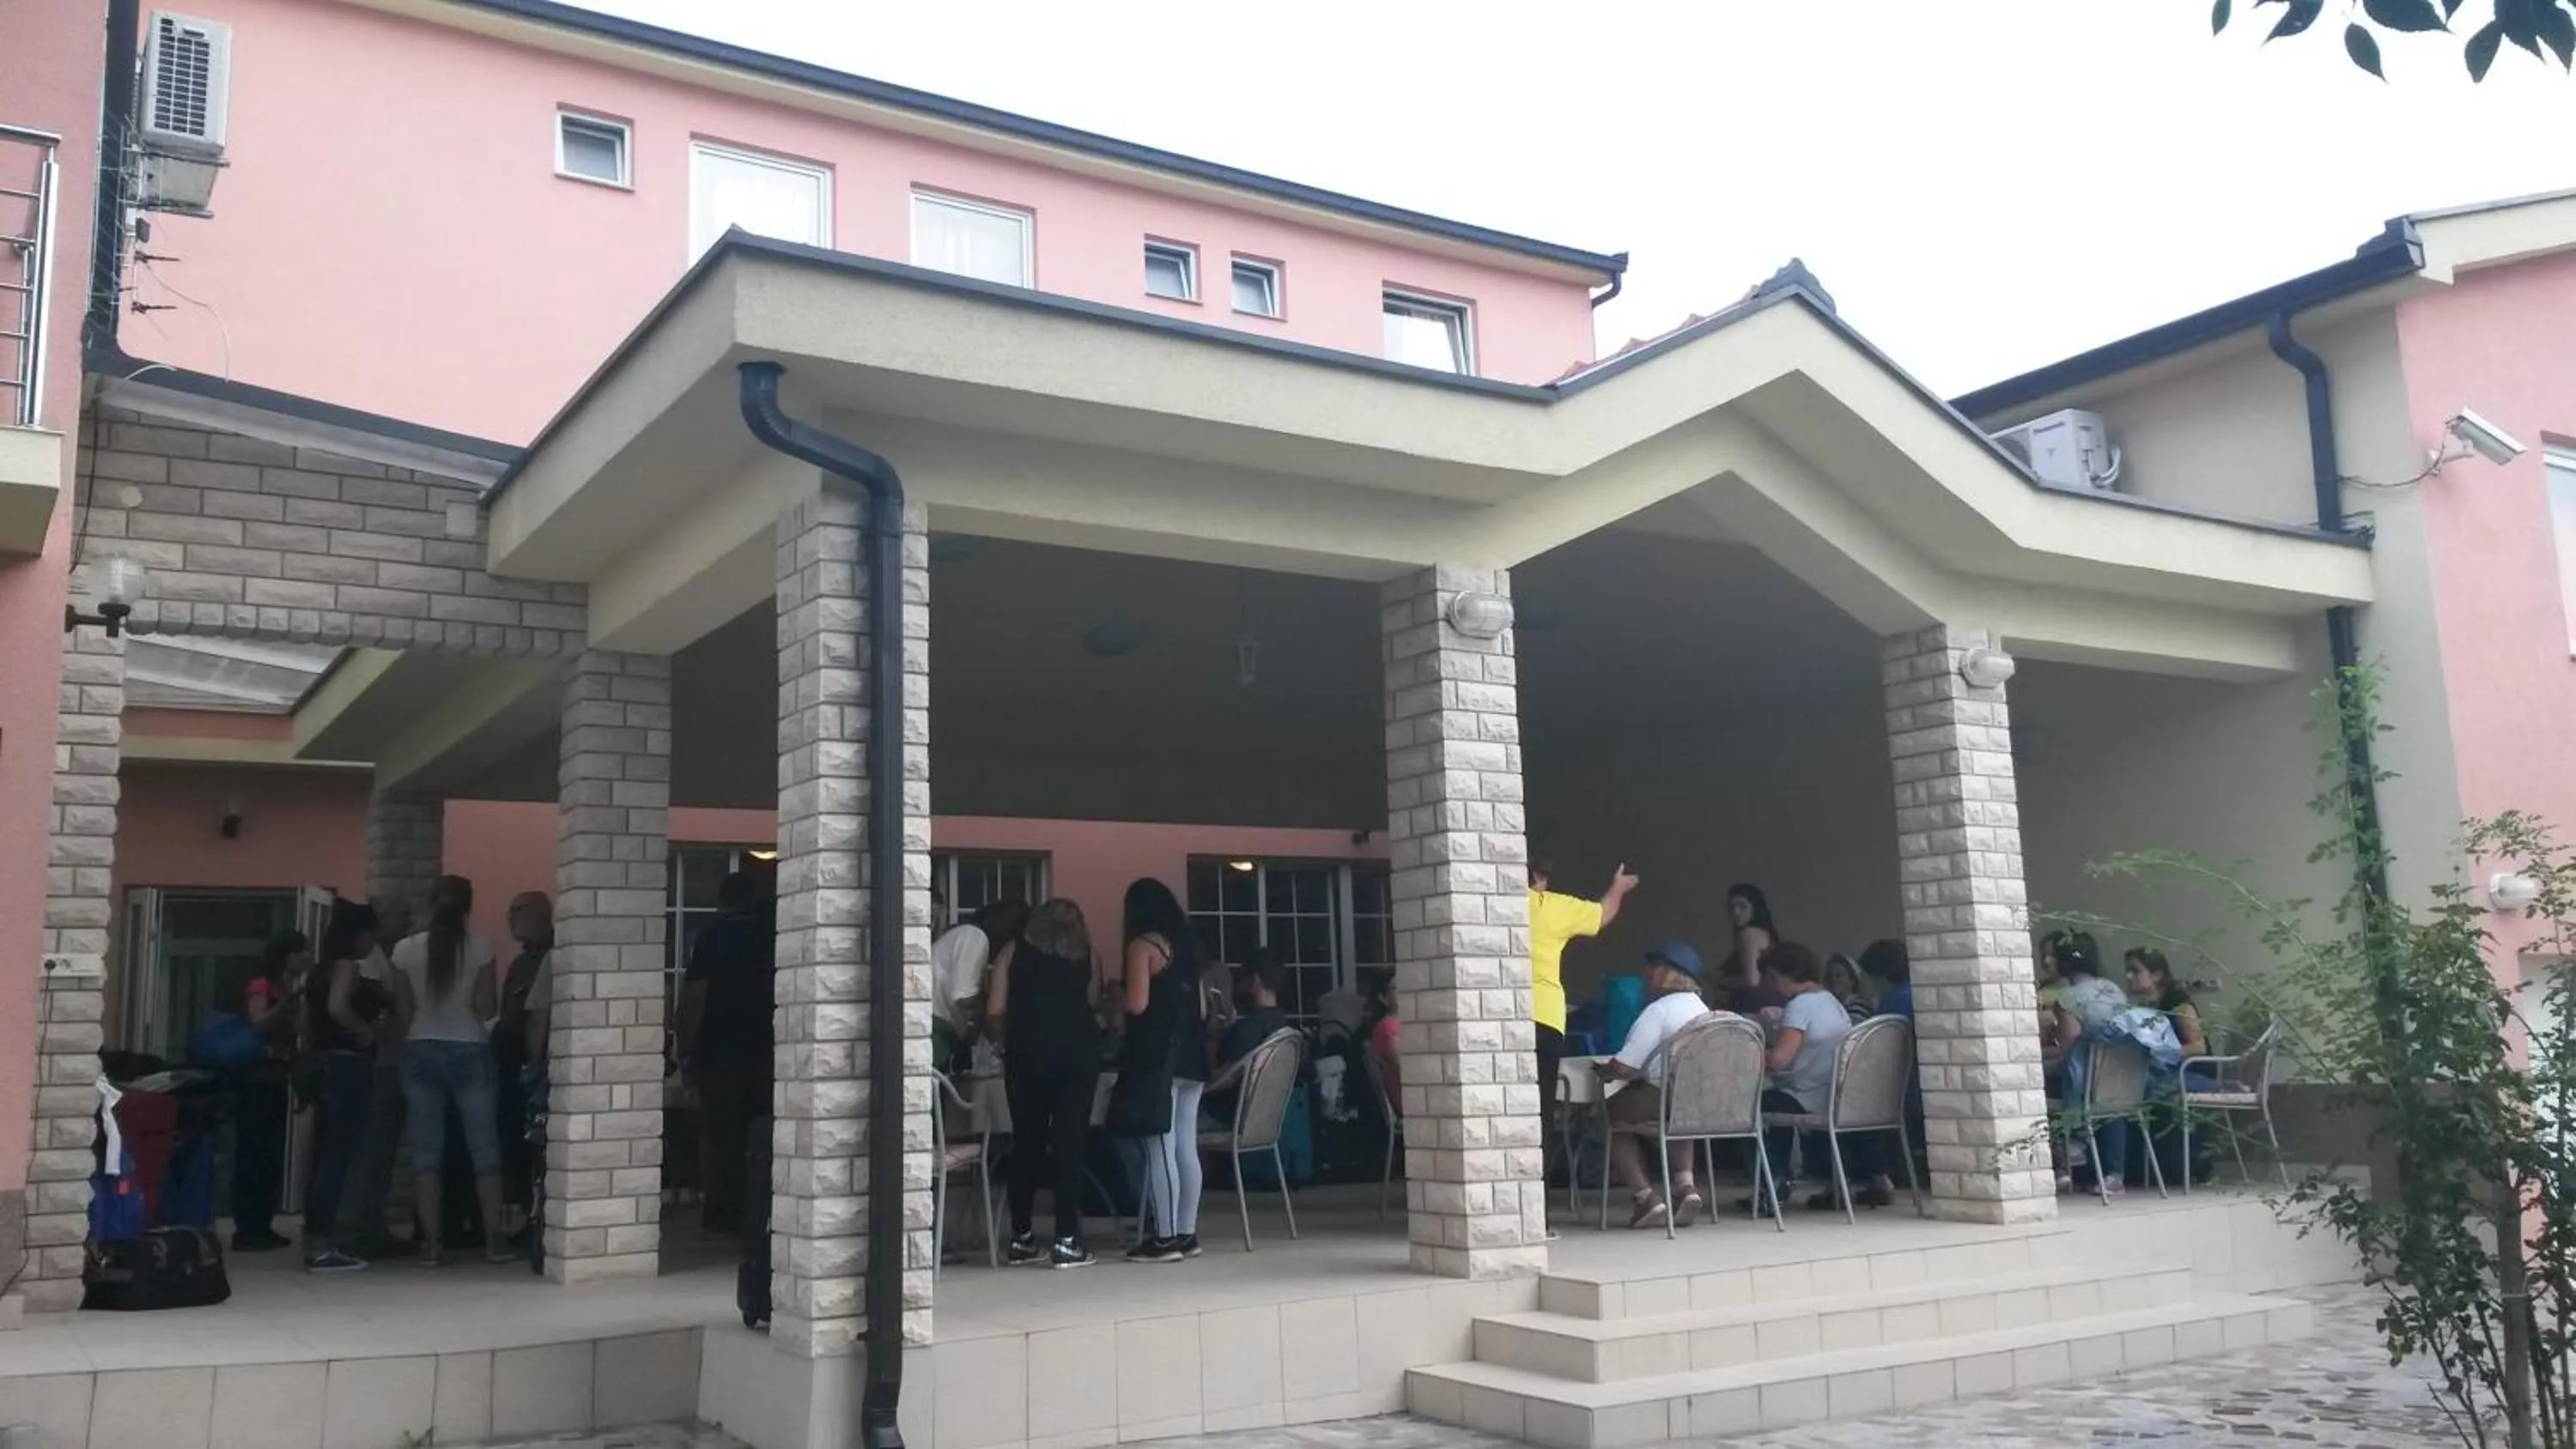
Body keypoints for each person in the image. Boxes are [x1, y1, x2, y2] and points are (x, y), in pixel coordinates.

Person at [389, 875, 510, 1265]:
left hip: (420, 1047)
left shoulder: (404, 950)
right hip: (469, 1048)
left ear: (430, 903)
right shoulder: (481, 948)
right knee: (484, 1150)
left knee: (426, 1153)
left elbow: (403, 1011)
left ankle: (432, 1246)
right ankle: (494, 1242)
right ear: (468, 907)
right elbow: (488, 1007)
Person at [985, 897, 1105, 1269]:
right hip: (1078, 1055)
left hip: (1027, 1054)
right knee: (1070, 1144)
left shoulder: (1011, 953)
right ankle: (1067, 1240)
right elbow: (1092, 1001)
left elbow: (994, 1010)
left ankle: (1021, 1238)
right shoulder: (1089, 956)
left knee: (1027, 1143)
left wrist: (1002, 1039)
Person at [1528, 857, 1637, 1216]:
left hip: (1489, 1020)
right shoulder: (1550, 906)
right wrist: (1618, 888)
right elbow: (1602, 914)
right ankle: (1536, 1213)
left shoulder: (1484, 906)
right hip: (1543, 1017)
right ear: (1540, 880)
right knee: (1539, 1112)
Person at [1109, 877, 1207, 1264]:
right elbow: (1201, 1010)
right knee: (1186, 1144)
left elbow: (1136, 1005)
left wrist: (1114, 997)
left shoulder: (1143, 947)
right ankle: (1186, 1232)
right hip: (1192, 1056)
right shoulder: (1189, 949)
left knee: (1158, 1145)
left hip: (1157, 1058)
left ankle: (1163, 1238)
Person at [1754, 942, 1889, 1212]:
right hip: (1834, 1091)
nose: (1770, 984)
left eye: (1771, 977)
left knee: (1755, 1106)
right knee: (1775, 1099)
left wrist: (1752, 1053)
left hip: (1807, 1094)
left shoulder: (1800, 1006)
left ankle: (1771, 1185)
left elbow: (1781, 1060)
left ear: (1783, 974)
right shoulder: (1830, 1001)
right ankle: (1837, 1180)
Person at [677, 871, 775, 1235]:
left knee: (719, 1133)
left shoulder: (713, 937)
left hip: (720, 1050)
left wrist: (685, 1046)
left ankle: (722, 1209)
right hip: (767, 1049)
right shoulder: (772, 936)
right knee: (762, 1129)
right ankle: (760, 1205)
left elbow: (695, 997)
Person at [1592, 943, 1712, 1229]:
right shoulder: (1705, 1010)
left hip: (1660, 1097)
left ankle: (1645, 1197)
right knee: (1681, 1113)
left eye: (1655, 967)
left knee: (1612, 1115)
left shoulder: (1659, 1010)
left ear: (1671, 974)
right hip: (1698, 1102)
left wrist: (1604, 1070)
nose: (1648, 973)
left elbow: (1627, 1066)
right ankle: (1685, 1186)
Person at [304, 898, 386, 1271]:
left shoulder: (316, 971)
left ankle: (316, 1235)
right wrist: (364, 1029)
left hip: (322, 1064)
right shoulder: (346, 968)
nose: (372, 943)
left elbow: (309, 1021)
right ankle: (327, 1242)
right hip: (348, 1065)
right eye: (370, 935)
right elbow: (339, 1007)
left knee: (323, 1153)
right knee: (341, 1154)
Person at [337, 892, 413, 1258]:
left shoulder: (383, 957)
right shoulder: (364, 962)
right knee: (370, 1150)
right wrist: (369, 1032)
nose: (408, 923)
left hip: (385, 1063)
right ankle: (355, 1230)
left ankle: (370, 1226)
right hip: (376, 1065)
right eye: (401, 916)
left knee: (379, 1152)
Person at [231, 931, 309, 1252]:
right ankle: (248, 1226)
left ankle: (262, 1223)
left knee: (271, 1155)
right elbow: (258, 1022)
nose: (307, 958)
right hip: (255, 1079)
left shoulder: (292, 989)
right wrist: (287, 1005)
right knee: (253, 1153)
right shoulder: (263, 986)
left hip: (278, 1077)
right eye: (301, 952)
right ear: (286, 956)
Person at [2051, 934, 2136, 1196]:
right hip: (2123, 1073)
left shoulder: (2067, 997)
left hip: (2088, 1076)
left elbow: (2070, 1038)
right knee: (2112, 1109)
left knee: (2042, 1081)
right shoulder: (2114, 990)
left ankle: (2069, 1151)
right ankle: (2114, 1176)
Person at [490, 891, 551, 1241]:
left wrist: (532, 1066)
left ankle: (538, 1220)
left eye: (518, 910)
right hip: (511, 1065)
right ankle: (523, 1217)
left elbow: (537, 1018)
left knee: (537, 1143)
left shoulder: (553, 956)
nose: (510, 917)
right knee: (514, 1143)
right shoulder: (520, 963)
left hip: (536, 1072)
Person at [932, 901, 1030, 1076]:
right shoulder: (974, 938)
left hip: (937, 1026)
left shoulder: (963, 935)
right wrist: (987, 1027)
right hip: (936, 1029)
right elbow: (965, 996)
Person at [1205, 950, 1288, 1128]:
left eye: (1241, 979)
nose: (1238, 986)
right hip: (1270, 1120)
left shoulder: (1249, 1028)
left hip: (1228, 1118)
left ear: (1255, 980)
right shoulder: (1285, 1026)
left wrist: (1196, 1082)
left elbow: (1226, 1078)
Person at [1710, 884, 1783, 1016]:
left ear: (1755, 908)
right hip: (1770, 1005)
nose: (1736, 912)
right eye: (1731, 908)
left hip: (1753, 1007)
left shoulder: (1748, 934)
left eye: (1742, 907)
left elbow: (1752, 981)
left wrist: (1722, 981)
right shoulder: (1765, 933)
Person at [2124, 948, 2207, 1058]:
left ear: (2157, 976)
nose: (2128, 976)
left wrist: (2160, 1052)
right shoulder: (2145, 1006)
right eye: (2127, 971)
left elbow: (2199, 1048)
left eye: (2135, 971)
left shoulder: (2179, 1003)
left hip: (2191, 1071)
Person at [1823, 952, 1872, 1018]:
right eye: (1829, 976)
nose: (1833, 979)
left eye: (1839, 975)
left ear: (1852, 980)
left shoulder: (1860, 1005)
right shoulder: (1832, 1006)